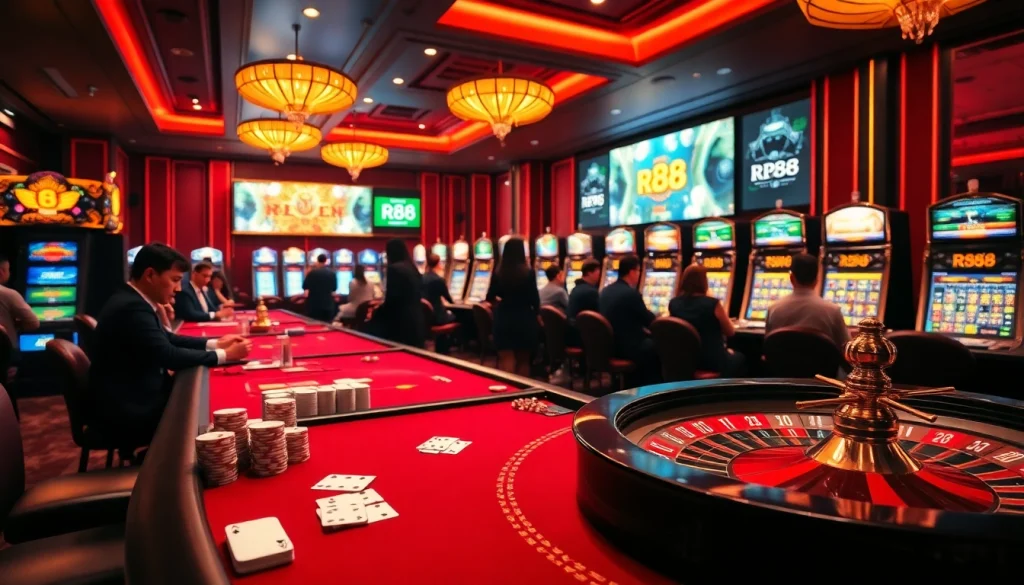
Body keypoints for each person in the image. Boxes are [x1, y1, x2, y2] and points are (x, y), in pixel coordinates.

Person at [88, 243, 251, 448]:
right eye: (174, 280)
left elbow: (170, 339)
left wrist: (217, 343)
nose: (179, 288)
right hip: (130, 411)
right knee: (218, 414)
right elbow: (168, 355)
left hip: (131, 397)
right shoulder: (131, 307)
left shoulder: (133, 300)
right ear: (150, 275)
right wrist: (225, 356)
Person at [668, 264, 744, 376]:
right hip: (711, 362)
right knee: (741, 358)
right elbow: (730, 332)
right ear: (704, 282)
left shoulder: (673, 303)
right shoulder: (713, 304)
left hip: (685, 361)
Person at [766, 253, 851, 350]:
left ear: (791, 278)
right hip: (821, 365)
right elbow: (846, 349)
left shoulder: (773, 309)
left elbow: (768, 350)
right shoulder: (833, 311)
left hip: (782, 365)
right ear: (817, 279)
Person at [599, 254, 660, 387]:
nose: (639, 275)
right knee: (661, 346)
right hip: (627, 348)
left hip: (609, 346)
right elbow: (651, 322)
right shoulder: (630, 294)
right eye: (638, 271)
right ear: (632, 271)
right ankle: (652, 393)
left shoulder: (605, 290)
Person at [487, 237, 540, 376]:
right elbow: (534, 299)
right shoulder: (528, 273)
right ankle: (522, 393)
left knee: (506, 359)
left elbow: (489, 297)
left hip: (503, 317)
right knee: (523, 361)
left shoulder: (498, 272)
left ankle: (508, 393)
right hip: (524, 318)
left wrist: (500, 303)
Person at [367, 240, 425, 347]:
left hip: (401, 323)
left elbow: (392, 301)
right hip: (417, 320)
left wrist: (376, 312)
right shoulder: (412, 267)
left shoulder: (394, 268)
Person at [0, 253, 40, 378]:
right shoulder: (8, 294)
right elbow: (33, 323)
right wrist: (16, 325)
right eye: (8, 270)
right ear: (1, 272)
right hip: (3, 355)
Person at [566, 258, 601, 346]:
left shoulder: (575, 288)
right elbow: (601, 315)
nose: (600, 274)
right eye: (597, 271)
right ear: (589, 273)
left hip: (572, 333)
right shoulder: (590, 292)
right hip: (582, 336)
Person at [303, 253, 337, 322]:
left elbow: (304, 286)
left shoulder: (312, 273)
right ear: (325, 261)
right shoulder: (332, 273)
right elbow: (334, 288)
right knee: (327, 327)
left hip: (314, 305)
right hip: (328, 305)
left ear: (317, 261)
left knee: (314, 326)